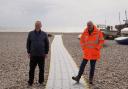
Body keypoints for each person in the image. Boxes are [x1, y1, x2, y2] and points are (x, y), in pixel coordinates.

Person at [26, 21, 49, 86]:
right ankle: (30, 82)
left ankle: (41, 82)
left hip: (41, 55)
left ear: (41, 26)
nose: (37, 26)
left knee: (41, 69)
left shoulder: (44, 34)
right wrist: (28, 52)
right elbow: (28, 43)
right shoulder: (30, 33)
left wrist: (46, 52)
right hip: (33, 55)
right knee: (31, 69)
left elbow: (47, 44)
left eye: (39, 25)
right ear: (35, 25)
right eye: (36, 25)